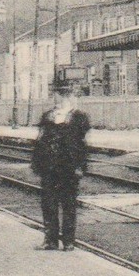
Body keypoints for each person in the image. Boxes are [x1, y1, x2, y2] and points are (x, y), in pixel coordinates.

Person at [31, 93, 90, 251]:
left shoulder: (78, 118)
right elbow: (39, 142)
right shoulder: (48, 116)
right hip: (49, 168)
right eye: (58, 96)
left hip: (68, 168)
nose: (60, 100)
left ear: (71, 98)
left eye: (65, 96)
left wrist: (80, 166)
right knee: (49, 204)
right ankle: (50, 240)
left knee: (69, 204)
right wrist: (37, 164)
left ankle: (69, 241)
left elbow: (82, 145)